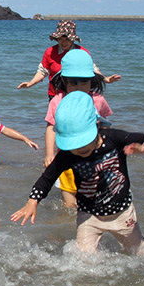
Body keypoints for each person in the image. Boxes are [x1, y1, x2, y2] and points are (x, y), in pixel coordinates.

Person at [11, 91, 144, 256]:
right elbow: (47, 178)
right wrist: (33, 201)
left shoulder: (114, 139)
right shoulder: (68, 154)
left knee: (140, 253)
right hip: (88, 216)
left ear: (97, 125)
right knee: (83, 258)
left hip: (121, 213)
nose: (79, 150)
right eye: (74, 145)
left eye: (83, 143)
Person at [44, 49, 113, 208]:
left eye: (84, 82)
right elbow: (51, 128)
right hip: (66, 157)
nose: (79, 87)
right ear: (64, 81)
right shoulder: (57, 101)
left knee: (94, 200)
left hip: (93, 159)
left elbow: (105, 126)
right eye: (73, 83)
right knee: (69, 204)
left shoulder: (97, 100)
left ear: (91, 81)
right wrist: (49, 154)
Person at [17, 20, 120, 98]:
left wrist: (105, 79)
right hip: (55, 95)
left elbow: (92, 69)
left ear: (72, 39)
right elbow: (43, 71)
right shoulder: (50, 52)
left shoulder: (82, 52)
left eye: (67, 39)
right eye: (60, 39)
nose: (63, 42)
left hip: (78, 94)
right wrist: (30, 83)